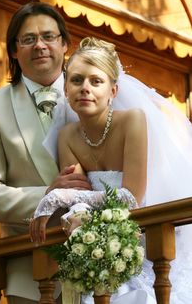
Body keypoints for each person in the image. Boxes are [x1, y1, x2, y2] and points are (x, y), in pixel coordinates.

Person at [30, 37, 192, 303]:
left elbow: (130, 198)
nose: (85, 88)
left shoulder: (133, 120)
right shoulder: (67, 136)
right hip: (102, 249)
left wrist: (57, 197)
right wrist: (76, 218)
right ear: (66, 90)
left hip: (146, 242)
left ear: (113, 91)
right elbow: (78, 194)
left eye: (96, 81)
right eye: (77, 80)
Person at [0, 2, 92, 304]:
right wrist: (49, 194)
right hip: (33, 277)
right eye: (28, 39)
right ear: (13, 50)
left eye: (49, 36)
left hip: (103, 267)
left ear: (65, 44)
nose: (40, 46)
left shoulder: (99, 94)